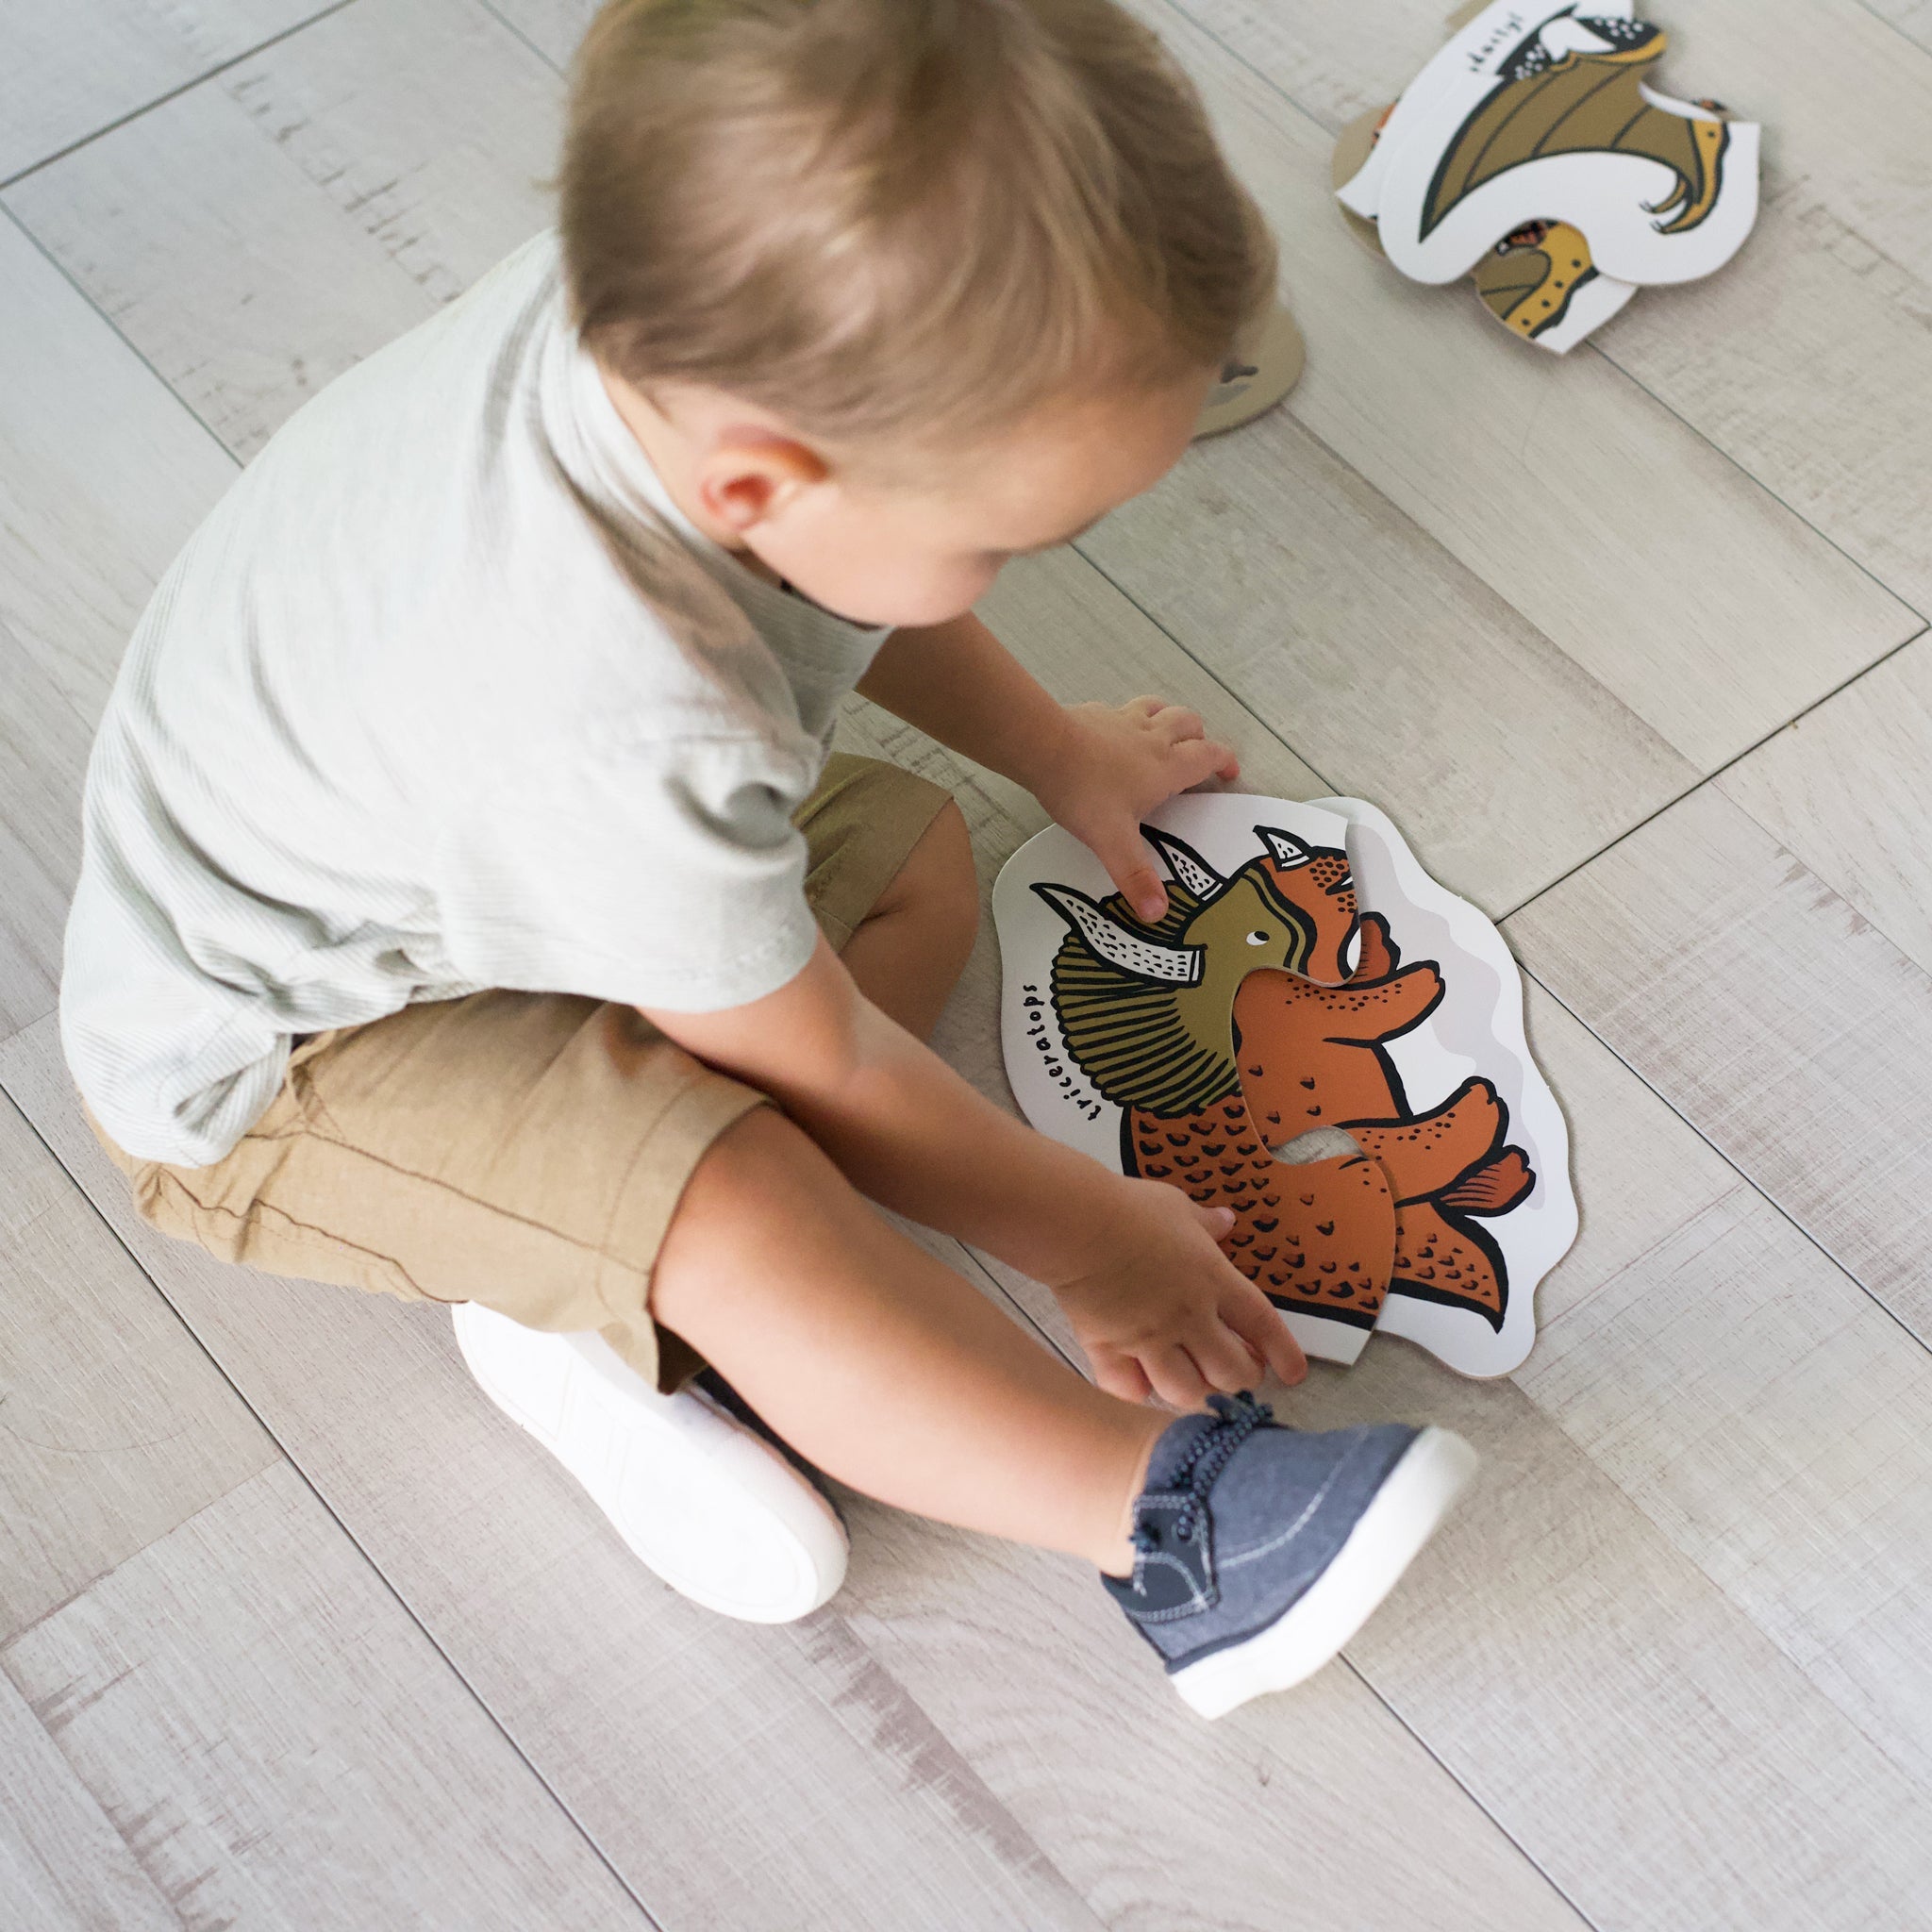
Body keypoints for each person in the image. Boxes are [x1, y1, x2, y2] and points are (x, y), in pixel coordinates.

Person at [60, 0, 1473, 1718]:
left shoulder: (684, 326)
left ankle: (589, 1262)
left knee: (912, 855)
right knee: (741, 1183)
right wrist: (1095, 1241)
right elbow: (829, 1063)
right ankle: (1176, 1536)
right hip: (282, 1067)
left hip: (451, 873)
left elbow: (843, 596)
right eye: (1013, 537)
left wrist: (1052, 747)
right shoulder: (615, 712)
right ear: (761, 480)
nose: (1027, 565)